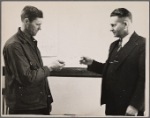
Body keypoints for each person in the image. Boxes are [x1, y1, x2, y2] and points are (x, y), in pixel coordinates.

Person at [80, 8, 145, 116]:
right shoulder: (113, 45)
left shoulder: (143, 44)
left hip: (129, 107)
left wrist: (135, 105)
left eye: (113, 25)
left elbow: (145, 78)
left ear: (125, 24)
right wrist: (92, 63)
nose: (110, 29)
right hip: (111, 104)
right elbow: (112, 70)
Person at [3, 5, 65, 115]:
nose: (40, 28)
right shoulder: (14, 46)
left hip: (38, 104)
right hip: (26, 108)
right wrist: (50, 67)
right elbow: (27, 78)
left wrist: (47, 100)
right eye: (37, 24)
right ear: (26, 21)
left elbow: (35, 71)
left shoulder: (31, 42)